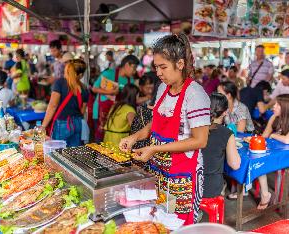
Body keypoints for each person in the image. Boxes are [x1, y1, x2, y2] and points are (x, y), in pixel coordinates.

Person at [119, 34, 210, 225]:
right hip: (159, 170)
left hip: (184, 174)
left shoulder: (195, 94)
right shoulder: (163, 88)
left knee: (179, 224)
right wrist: (135, 137)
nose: (158, 73)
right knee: (159, 220)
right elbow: (156, 123)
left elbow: (200, 140)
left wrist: (154, 149)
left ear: (180, 64)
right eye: (156, 67)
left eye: (163, 67)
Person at [92, 55, 140, 142]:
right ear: (126, 65)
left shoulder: (130, 81)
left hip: (117, 115)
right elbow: (94, 88)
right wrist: (110, 92)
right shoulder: (108, 74)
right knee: (99, 140)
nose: (134, 71)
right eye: (134, 68)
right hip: (101, 113)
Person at [202, 93, 241, 198]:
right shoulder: (226, 133)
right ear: (225, 112)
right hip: (209, 188)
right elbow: (235, 165)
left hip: (188, 185)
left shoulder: (194, 127)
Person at [42, 59, 88, 147]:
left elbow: (53, 105)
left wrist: (43, 126)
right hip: (77, 123)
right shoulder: (84, 89)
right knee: (73, 153)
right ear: (81, 75)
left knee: (58, 154)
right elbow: (82, 111)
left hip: (63, 124)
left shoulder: (60, 83)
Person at [256, 94, 289, 209]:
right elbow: (264, 136)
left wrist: (273, 135)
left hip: (285, 157)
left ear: (285, 108)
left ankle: (278, 201)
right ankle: (266, 195)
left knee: (280, 170)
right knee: (258, 160)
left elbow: (287, 140)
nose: (273, 107)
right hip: (277, 153)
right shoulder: (274, 117)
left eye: (277, 105)